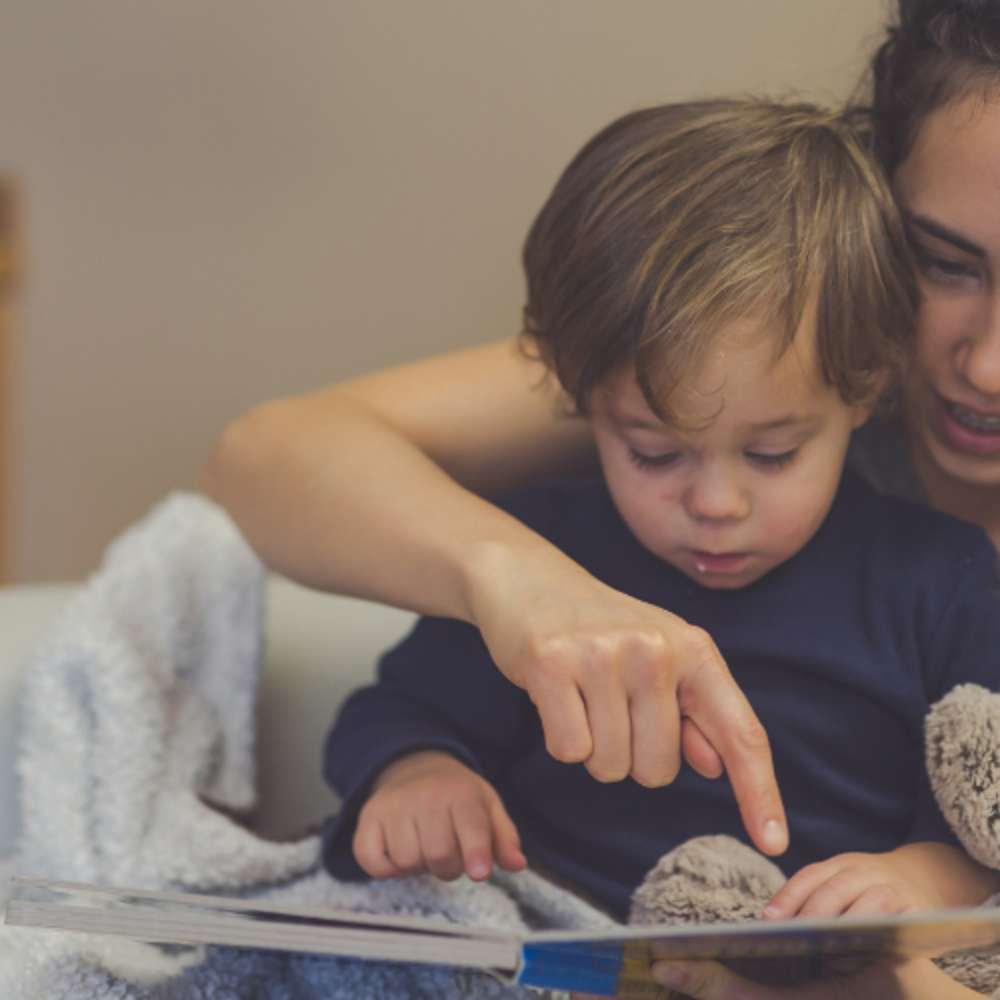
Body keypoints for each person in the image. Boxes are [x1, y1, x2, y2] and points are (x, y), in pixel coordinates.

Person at [202, 2, 1000, 994]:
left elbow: (970, 835)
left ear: (857, 385)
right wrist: (516, 599)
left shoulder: (938, 580)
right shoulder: (733, 355)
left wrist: (916, 897)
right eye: (947, 261)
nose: (714, 500)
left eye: (773, 451)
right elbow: (270, 456)